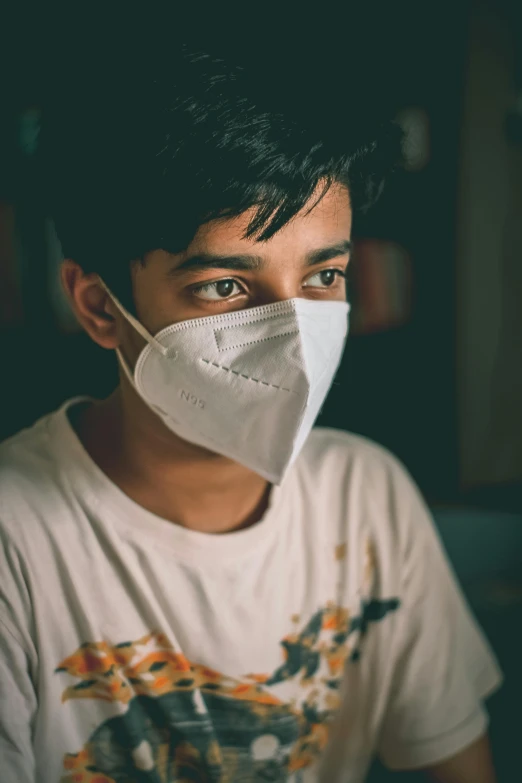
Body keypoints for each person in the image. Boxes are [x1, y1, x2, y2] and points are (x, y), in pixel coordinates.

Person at [0, 44, 502, 783]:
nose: (294, 333)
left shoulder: (366, 495)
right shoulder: (17, 538)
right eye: (226, 289)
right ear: (101, 306)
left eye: (324, 275)